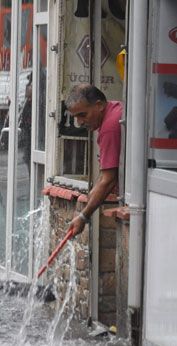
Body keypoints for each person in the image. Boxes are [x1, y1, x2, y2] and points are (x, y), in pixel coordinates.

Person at [65, 84, 122, 236]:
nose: (80, 123)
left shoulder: (110, 127)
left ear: (98, 105)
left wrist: (83, 216)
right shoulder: (113, 110)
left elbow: (109, 179)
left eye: (82, 115)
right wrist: (92, 196)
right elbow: (105, 175)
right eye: (76, 117)